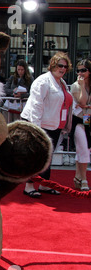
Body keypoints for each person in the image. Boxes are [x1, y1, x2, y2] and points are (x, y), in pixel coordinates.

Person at [20, 52, 73, 197]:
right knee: (37, 157)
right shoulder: (43, 81)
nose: (62, 68)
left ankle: (44, 184)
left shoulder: (61, 83)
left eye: (65, 66)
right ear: (52, 65)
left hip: (54, 125)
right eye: (59, 65)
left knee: (48, 157)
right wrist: (36, 129)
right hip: (40, 124)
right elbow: (37, 105)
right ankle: (29, 186)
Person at [70, 59, 91, 191]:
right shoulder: (75, 85)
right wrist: (82, 86)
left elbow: (84, 104)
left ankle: (77, 177)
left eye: (83, 70)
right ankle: (84, 179)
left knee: (85, 149)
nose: (80, 73)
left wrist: (86, 106)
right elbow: (82, 101)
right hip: (78, 121)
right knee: (83, 148)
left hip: (88, 120)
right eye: (78, 70)